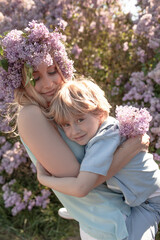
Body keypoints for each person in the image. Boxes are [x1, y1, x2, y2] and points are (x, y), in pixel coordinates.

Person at [0, 20, 152, 240]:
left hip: (121, 215)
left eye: (53, 71)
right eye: (35, 78)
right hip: (112, 225)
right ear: (21, 82)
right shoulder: (31, 114)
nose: (49, 84)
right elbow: (80, 181)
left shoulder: (62, 108)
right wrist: (132, 147)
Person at [36, 79, 160, 237]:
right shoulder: (97, 133)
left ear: (99, 113)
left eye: (80, 120)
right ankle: (85, 210)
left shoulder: (105, 136)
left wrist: (43, 179)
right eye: (66, 125)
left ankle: (86, 210)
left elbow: (82, 187)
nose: (74, 131)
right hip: (131, 194)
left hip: (149, 202)